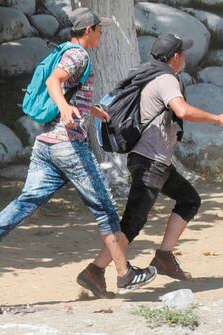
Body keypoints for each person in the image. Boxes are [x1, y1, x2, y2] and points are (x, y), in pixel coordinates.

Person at [0, 7, 157, 295]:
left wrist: (90, 110)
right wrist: (65, 108)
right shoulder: (78, 55)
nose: (101, 34)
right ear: (88, 30)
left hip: (46, 145)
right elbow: (54, 81)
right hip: (69, 146)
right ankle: (124, 273)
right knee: (105, 209)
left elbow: (67, 91)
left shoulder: (65, 50)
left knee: (26, 201)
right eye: (99, 29)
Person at [85, 33, 221, 289]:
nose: (185, 57)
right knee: (132, 222)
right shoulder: (166, 79)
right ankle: (95, 270)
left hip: (155, 161)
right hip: (151, 162)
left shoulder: (150, 74)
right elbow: (182, 110)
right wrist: (216, 119)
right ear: (175, 56)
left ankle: (164, 257)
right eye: (183, 53)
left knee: (189, 200)